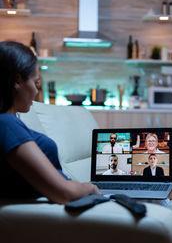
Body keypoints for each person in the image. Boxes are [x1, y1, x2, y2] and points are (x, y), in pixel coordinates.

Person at [0, 40, 100, 204]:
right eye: (35, 82)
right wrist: (91, 188)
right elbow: (64, 193)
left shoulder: (10, 123)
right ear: (17, 81)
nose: (36, 90)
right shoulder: (6, 125)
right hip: (59, 213)